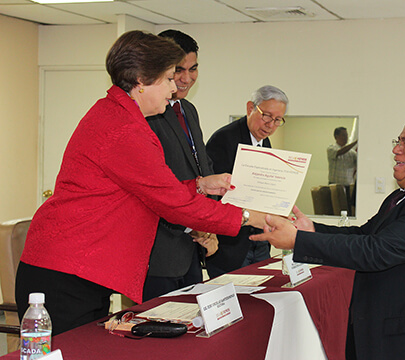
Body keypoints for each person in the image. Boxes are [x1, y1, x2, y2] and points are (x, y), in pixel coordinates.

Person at [15, 30, 264, 335]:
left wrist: (198, 185)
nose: (174, 89)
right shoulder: (123, 130)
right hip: (65, 273)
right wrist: (250, 216)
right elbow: (174, 204)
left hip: (82, 270)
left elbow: (145, 192)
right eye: (169, 79)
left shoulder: (122, 116)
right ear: (142, 82)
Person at [251, 112, 405, 360]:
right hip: (387, 332)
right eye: (398, 141)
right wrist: (311, 230)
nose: (396, 150)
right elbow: (364, 235)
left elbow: (374, 252)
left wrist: (298, 241)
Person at [143, 30, 216, 302]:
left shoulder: (189, 110)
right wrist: (194, 225)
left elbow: (201, 170)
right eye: (179, 70)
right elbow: (155, 188)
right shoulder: (150, 114)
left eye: (193, 69)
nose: (187, 78)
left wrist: (208, 223)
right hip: (159, 253)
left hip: (192, 251)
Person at [205, 85, 288, 278]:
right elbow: (213, 196)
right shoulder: (224, 139)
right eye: (267, 116)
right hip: (231, 244)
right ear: (250, 108)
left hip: (257, 238)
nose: (270, 125)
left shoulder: (264, 142)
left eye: (277, 120)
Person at [327, 126, 357, 215]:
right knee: (334, 211)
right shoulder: (331, 148)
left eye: (347, 135)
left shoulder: (352, 153)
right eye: (343, 135)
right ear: (336, 137)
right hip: (334, 186)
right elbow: (340, 152)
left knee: (347, 211)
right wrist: (355, 142)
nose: (346, 137)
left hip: (348, 186)